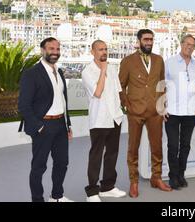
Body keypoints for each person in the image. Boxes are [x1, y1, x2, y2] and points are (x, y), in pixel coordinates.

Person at [18, 37, 73, 202]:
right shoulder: (31, 74)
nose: (55, 52)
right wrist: (38, 126)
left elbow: (63, 100)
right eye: (51, 49)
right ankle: (37, 199)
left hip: (60, 126)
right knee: (39, 167)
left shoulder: (60, 71)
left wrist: (67, 124)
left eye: (57, 49)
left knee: (62, 163)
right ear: (43, 50)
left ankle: (57, 196)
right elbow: (24, 105)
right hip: (44, 125)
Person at [119, 29, 172, 198]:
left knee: (157, 147)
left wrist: (162, 106)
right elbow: (120, 86)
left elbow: (162, 84)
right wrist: (127, 105)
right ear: (139, 40)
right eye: (146, 39)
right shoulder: (127, 61)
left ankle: (156, 178)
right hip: (135, 112)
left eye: (151, 39)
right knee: (133, 148)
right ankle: (133, 182)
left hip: (155, 112)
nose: (149, 42)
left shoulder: (159, 60)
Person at [81, 40, 126, 202]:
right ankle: (92, 192)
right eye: (100, 49)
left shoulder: (113, 69)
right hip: (99, 119)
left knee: (112, 154)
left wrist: (121, 110)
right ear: (93, 51)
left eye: (105, 49)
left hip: (115, 117)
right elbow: (98, 92)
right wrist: (103, 71)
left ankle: (108, 186)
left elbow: (118, 92)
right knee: (96, 155)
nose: (104, 52)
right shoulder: (87, 71)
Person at [163, 34, 195, 189]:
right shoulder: (169, 63)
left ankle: (181, 174)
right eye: (187, 43)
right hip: (172, 112)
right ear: (181, 44)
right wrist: (162, 107)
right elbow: (162, 86)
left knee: (185, 145)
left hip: (189, 112)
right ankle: (172, 176)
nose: (189, 47)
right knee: (173, 145)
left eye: (192, 45)